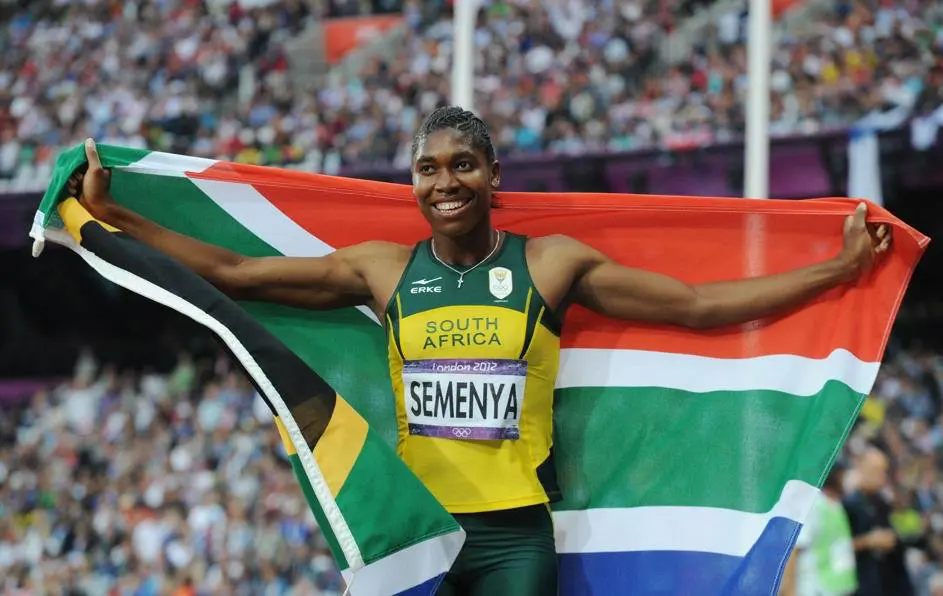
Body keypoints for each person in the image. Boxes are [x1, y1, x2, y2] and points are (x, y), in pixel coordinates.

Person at [68, 106, 891, 596]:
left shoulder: (550, 264)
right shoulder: (383, 272)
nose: (444, 182)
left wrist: (836, 270)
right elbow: (237, 272)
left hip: (512, 541)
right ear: (413, 182)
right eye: (428, 169)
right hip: (417, 529)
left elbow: (702, 307)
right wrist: (117, 222)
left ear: (493, 175)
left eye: (462, 165)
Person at [843, 447, 915, 596]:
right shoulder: (847, 504)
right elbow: (835, 546)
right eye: (876, 470)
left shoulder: (881, 502)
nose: (882, 476)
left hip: (888, 582)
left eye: (884, 471)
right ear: (861, 469)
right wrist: (868, 541)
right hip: (861, 584)